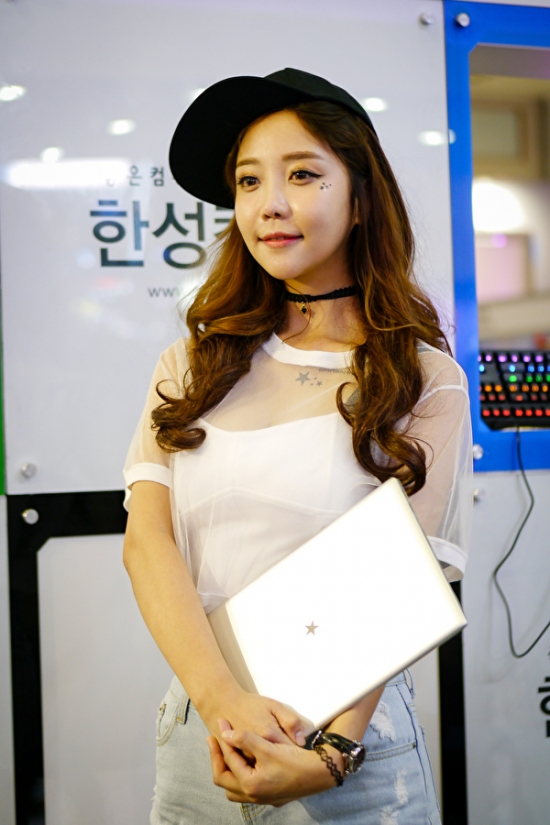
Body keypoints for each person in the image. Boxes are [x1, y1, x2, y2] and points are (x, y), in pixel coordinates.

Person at [123, 68, 472, 824]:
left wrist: (331, 754)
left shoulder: (422, 379)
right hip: (202, 736)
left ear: (361, 199)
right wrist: (224, 703)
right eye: (249, 181)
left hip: (352, 749)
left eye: (303, 174)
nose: (269, 204)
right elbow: (147, 544)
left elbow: (403, 581)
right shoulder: (192, 364)